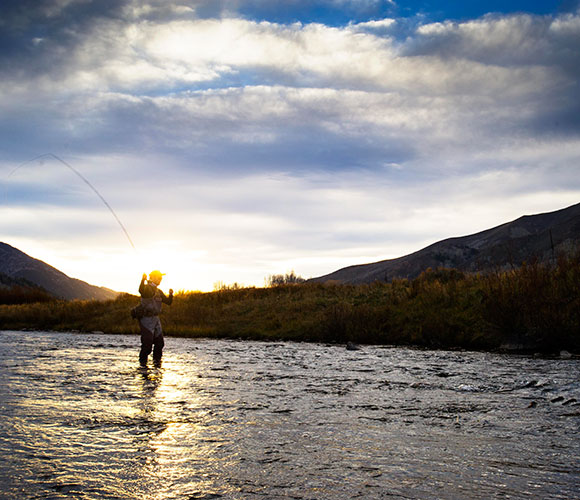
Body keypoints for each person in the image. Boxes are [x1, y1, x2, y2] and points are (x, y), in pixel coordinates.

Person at [138, 270, 173, 366]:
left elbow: (168, 302)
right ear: (152, 277)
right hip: (146, 320)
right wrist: (143, 280)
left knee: (160, 343)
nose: (160, 279)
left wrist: (171, 294)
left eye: (161, 278)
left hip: (156, 319)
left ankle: (157, 364)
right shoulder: (146, 288)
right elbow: (141, 291)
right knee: (147, 346)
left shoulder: (159, 291)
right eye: (158, 277)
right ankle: (143, 366)